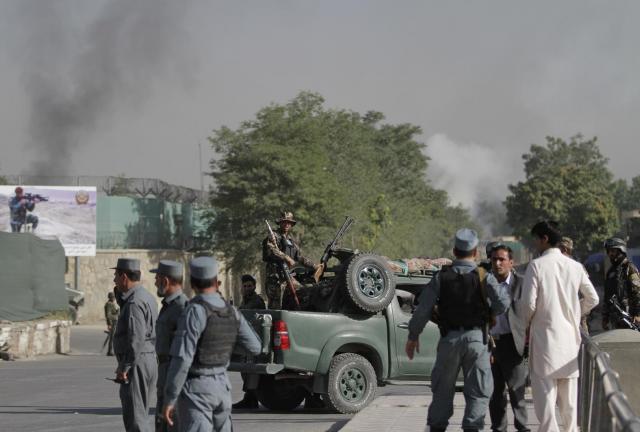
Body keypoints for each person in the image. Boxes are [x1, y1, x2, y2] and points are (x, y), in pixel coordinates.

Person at [405, 228, 510, 432]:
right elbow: (503, 303)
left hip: (449, 340)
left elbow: (423, 309)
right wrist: (490, 313)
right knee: (478, 391)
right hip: (476, 340)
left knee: (442, 391)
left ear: (454, 251)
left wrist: (413, 336)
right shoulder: (483, 276)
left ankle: (437, 427)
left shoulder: (441, 277)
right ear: (476, 253)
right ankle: (472, 427)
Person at [162, 256, 261, 432]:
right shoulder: (232, 311)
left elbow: (182, 359)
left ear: (192, 284)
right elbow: (255, 347)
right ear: (217, 282)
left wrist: (170, 398)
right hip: (222, 389)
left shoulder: (194, 311)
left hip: (197, 391)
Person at [517, 221, 598, 432]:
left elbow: (528, 304)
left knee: (545, 402)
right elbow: (593, 298)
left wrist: (527, 324)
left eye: (536, 239)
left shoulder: (536, 266)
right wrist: (574, 312)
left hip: (545, 341)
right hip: (570, 342)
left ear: (544, 239)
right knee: (569, 403)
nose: (534, 244)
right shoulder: (575, 266)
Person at [112, 258, 159, 432]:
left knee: (136, 420)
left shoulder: (134, 303)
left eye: (116, 275)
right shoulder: (146, 296)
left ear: (124, 276)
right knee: (141, 414)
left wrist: (124, 367)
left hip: (137, 363)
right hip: (148, 360)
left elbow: (136, 338)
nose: (114, 280)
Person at [487, 244, 530, 432]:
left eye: (502, 259)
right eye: (494, 259)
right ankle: (498, 428)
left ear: (511, 262)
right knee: (495, 394)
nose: (497, 263)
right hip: (491, 344)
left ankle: (522, 427)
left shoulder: (522, 284)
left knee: (516, 391)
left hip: (514, 344)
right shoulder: (485, 284)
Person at [151, 260, 188, 432]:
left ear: (165, 281)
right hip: (165, 371)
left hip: (175, 375)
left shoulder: (182, 307)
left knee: (173, 424)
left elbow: (185, 353)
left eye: (157, 278)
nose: (155, 282)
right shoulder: (168, 306)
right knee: (162, 423)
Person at [262, 211, 320, 309]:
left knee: (302, 293)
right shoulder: (273, 236)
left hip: (288, 276)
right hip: (275, 278)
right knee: (276, 305)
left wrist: (314, 266)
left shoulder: (291, 240)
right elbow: (271, 250)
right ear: (280, 223)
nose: (287, 224)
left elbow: (300, 257)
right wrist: (287, 258)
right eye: (284, 222)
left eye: (289, 222)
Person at [233, 274, 266, 410]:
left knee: (250, 370)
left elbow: (243, 313)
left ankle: (251, 399)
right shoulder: (245, 300)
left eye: (249, 286)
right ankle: (250, 397)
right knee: (246, 370)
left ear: (254, 286)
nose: (247, 288)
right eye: (245, 286)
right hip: (247, 340)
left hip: (255, 340)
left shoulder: (256, 300)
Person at [602, 237, 640, 330]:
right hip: (614, 318)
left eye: (613, 251)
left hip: (629, 317)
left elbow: (638, 292)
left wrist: (638, 314)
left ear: (621, 251)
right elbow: (607, 296)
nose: (610, 254)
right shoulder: (611, 272)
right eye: (609, 251)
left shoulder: (629, 268)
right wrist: (605, 317)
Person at [104, 291, 120, 357]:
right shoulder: (109, 304)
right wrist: (109, 324)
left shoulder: (111, 304)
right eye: (112, 297)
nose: (113, 298)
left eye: (114, 297)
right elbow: (108, 315)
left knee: (113, 337)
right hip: (113, 322)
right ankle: (110, 351)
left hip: (114, 322)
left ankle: (110, 350)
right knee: (112, 338)